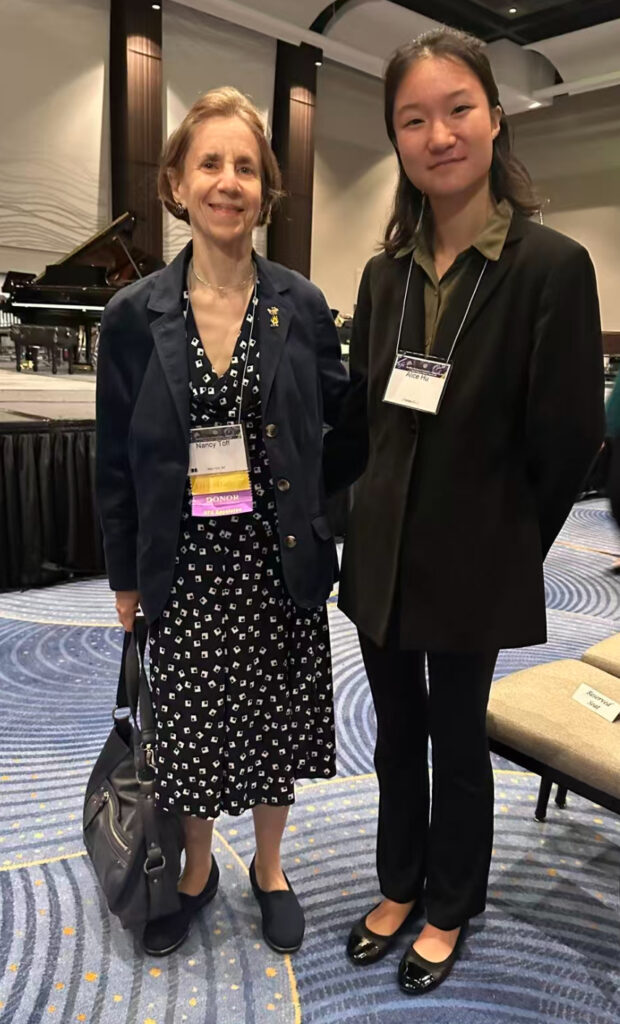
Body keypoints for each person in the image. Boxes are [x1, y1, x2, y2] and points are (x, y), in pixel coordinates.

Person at [323, 28, 605, 995]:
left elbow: (568, 438)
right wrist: (345, 516)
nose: (438, 134)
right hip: (382, 553)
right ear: (396, 139)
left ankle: (449, 904)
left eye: (457, 110)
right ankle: (397, 883)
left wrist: (510, 539)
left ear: (494, 118)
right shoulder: (385, 275)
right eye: (413, 119)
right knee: (395, 732)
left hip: (475, 557)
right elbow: (365, 419)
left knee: (457, 737)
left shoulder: (550, 266)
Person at [96, 86, 347, 957]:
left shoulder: (301, 305)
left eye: (246, 166)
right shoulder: (133, 316)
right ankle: (198, 867)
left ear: (266, 190)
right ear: (177, 182)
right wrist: (124, 576)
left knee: (274, 723)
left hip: (279, 560)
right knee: (194, 729)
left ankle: (270, 869)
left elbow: (343, 427)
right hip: (186, 565)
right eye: (210, 163)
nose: (228, 181)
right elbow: (114, 461)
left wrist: (321, 512)